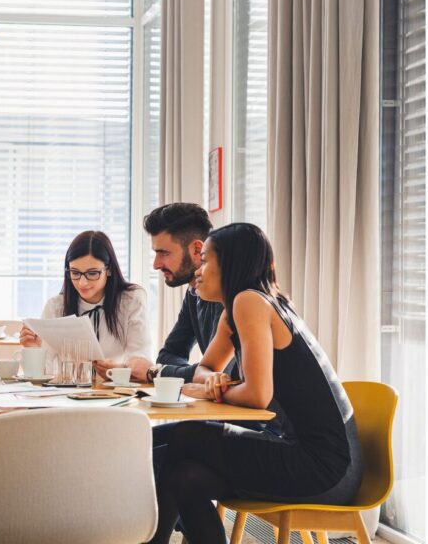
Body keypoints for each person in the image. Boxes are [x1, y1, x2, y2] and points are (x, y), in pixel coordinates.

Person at [149, 223, 362, 544]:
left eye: (205, 260)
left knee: (184, 435)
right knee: (185, 477)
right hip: (305, 454)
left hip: (325, 468)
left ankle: (151, 540)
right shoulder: (240, 307)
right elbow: (206, 367)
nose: (198, 271)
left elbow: (258, 396)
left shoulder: (250, 302)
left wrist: (211, 388)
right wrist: (212, 382)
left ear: (230, 263)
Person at [94, 203, 222, 383]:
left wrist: (155, 373)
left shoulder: (230, 297)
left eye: (164, 253)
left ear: (196, 250)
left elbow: (222, 372)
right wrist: (183, 373)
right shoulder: (193, 293)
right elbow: (169, 356)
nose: (156, 264)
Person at [19, 230, 153, 365]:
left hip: (118, 385)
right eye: (75, 272)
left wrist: (119, 370)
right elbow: (44, 372)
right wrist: (33, 349)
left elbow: (141, 354)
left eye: (92, 273)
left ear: (109, 270)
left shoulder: (130, 300)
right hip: (70, 386)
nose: (82, 282)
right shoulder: (56, 306)